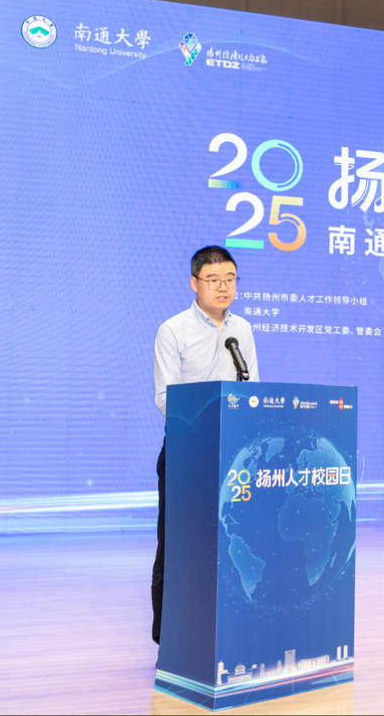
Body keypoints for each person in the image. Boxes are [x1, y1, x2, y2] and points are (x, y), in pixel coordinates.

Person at [151, 245, 259, 643]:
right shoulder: (173, 330)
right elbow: (166, 398)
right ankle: (170, 640)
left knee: (233, 544)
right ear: (193, 283)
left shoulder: (242, 329)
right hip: (188, 455)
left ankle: (226, 633)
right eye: (213, 280)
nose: (223, 287)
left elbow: (252, 389)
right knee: (178, 546)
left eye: (230, 279)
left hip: (233, 456)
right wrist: (206, 424)